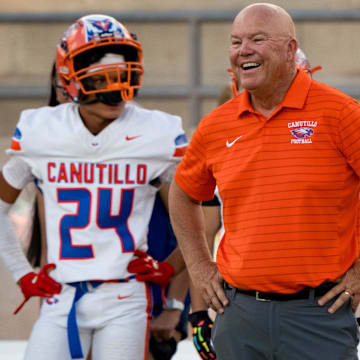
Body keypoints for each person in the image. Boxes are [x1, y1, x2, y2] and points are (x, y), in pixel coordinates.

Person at [168, 3, 360, 359]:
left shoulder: (341, 113)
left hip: (318, 314)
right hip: (238, 314)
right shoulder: (216, 125)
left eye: (258, 39)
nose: (244, 50)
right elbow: (182, 195)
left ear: (290, 50)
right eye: (236, 41)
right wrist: (199, 267)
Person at [0, 14, 187, 360]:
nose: (115, 91)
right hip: (62, 296)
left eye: (122, 77)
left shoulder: (156, 133)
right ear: (70, 78)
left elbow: (200, 215)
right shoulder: (43, 130)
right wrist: (22, 273)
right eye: (102, 80)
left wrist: (171, 268)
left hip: (126, 297)